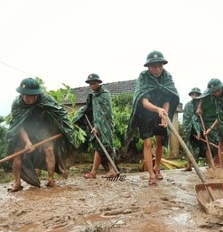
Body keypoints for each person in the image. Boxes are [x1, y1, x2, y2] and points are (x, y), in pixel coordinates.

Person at [6, 77, 76, 192]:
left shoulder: (46, 99)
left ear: (36, 95)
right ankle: (17, 182)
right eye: (23, 94)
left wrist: (66, 129)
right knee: (16, 154)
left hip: (42, 126)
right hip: (24, 128)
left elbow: (61, 113)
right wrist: (28, 142)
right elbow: (18, 125)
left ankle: (51, 180)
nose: (26, 98)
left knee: (49, 149)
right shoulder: (17, 103)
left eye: (29, 95)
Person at [125, 50, 180, 186]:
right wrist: (158, 110)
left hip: (161, 112)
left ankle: (157, 168)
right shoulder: (143, 77)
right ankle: (151, 175)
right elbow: (143, 101)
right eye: (154, 66)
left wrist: (164, 114)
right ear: (148, 67)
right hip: (145, 114)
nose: (157, 69)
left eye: (160, 66)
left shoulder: (167, 76)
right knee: (148, 143)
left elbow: (168, 98)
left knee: (160, 141)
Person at [72, 73, 116, 179]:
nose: (92, 86)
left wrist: (98, 127)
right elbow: (89, 109)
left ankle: (112, 170)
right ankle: (94, 172)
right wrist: (78, 116)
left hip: (105, 126)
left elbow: (105, 113)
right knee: (98, 147)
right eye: (90, 84)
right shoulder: (92, 96)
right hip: (96, 124)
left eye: (94, 83)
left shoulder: (105, 94)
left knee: (107, 146)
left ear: (99, 83)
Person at [181, 87, 204, 171]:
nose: (195, 96)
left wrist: (199, 131)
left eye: (197, 94)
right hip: (190, 129)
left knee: (202, 148)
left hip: (201, 129)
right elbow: (190, 118)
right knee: (189, 147)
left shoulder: (201, 105)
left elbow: (200, 118)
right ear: (191, 95)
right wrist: (196, 131)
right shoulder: (188, 105)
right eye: (193, 94)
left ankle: (209, 165)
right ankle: (189, 165)